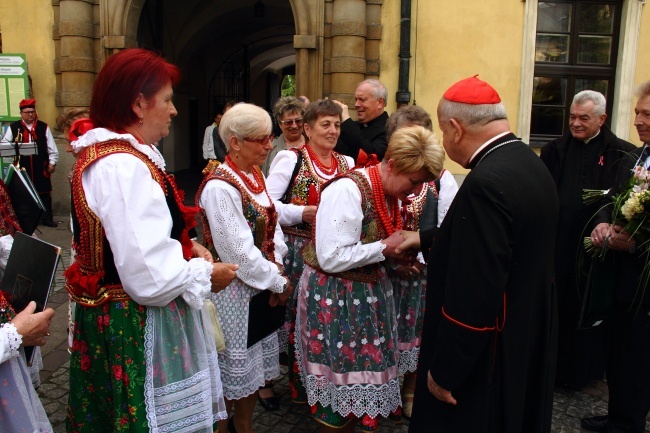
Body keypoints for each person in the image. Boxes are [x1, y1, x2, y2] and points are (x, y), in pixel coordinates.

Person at [64, 48, 238, 433]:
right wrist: (205, 276)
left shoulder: (108, 156)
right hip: (136, 323)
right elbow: (148, 277)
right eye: (168, 100)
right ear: (139, 104)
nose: (174, 111)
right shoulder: (124, 166)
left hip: (110, 317)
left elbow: (122, 241)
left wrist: (187, 247)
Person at [399, 76, 559, 433]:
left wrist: (445, 372)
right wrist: (424, 238)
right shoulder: (529, 162)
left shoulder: (486, 183)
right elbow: (501, 243)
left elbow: (473, 294)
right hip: (525, 332)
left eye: (442, 131)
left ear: (456, 128)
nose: (443, 139)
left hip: (486, 357)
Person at [295, 125, 444, 432]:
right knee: (337, 394)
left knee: (357, 392)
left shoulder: (386, 190)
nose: (416, 191)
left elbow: (372, 245)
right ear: (392, 165)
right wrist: (383, 248)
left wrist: (395, 262)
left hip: (363, 301)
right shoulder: (347, 190)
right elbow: (331, 256)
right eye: (414, 181)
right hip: (335, 301)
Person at [197, 102, 292, 433]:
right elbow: (237, 251)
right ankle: (223, 427)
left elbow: (273, 222)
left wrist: (277, 265)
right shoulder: (219, 187)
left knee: (251, 369)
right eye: (260, 139)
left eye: (269, 138)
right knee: (229, 369)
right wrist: (277, 282)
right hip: (232, 292)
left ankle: (245, 425)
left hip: (258, 285)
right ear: (234, 142)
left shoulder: (254, 174)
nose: (269, 145)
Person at [540, 90, 635, 390]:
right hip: (559, 244)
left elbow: (621, 199)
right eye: (572, 117)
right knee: (558, 305)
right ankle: (552, 370)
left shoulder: (622, 153)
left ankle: (586, 372)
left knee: (588, 307)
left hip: (599, 248)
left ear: (602, 119)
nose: (576, 124)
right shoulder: (555, 150)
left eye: (584, 118)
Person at [266, 99, 355, 406]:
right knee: (292, 318)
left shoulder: (348, 163)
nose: (332, 131)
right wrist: (302, 212)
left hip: (333, 254)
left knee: (321, 320)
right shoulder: (290, 159)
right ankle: (291, 385)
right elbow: (266, 205)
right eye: (325, 124)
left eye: (337, 125)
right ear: (307, 128)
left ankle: (319, 384)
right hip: (297, 251)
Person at [581, 81, 650, 433]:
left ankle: (630, 422)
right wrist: (604, 224)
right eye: (637, 112)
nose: (637, 120)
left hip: (645, 285)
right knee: (617, 351)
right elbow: (612, 197)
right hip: (621, 279)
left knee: (638, 357)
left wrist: (635, 244)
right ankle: (617, 413)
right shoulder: (638, 156)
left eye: (646, 114)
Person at [384, 105, 459, 419]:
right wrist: (393, 260)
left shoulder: (441, 180)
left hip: (420, 274)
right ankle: (385, 389)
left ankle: (411, 388)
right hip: (386, 272)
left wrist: (420, 258)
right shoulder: (384, 175)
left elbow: (448, 227)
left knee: (417, 333)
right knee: (386, 334)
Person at [3, 98, 59, 227]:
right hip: (23, 166)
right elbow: (6, 145)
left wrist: (52, 162)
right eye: (27, 112)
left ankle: (46, 219)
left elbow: (52, 147)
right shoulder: (14, 127)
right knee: (24, 194)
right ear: (21, 113)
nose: (30, 114)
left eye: (32, 112)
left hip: (41, 165)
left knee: (44, 193)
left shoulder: (43, 126)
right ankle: (27, 220)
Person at [334, 79, 389, 162]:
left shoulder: (390, 128)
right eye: (356, 99)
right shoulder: (353, 127)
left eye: (362, 99)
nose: (356, 104)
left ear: (380, 102)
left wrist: (346, 119)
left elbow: (373, 155)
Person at [261, 96, 307, 176]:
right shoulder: (269, 149)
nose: (294, 126)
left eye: (298, 121)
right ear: (280, 124)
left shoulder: (314, 145)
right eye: (288, 122)